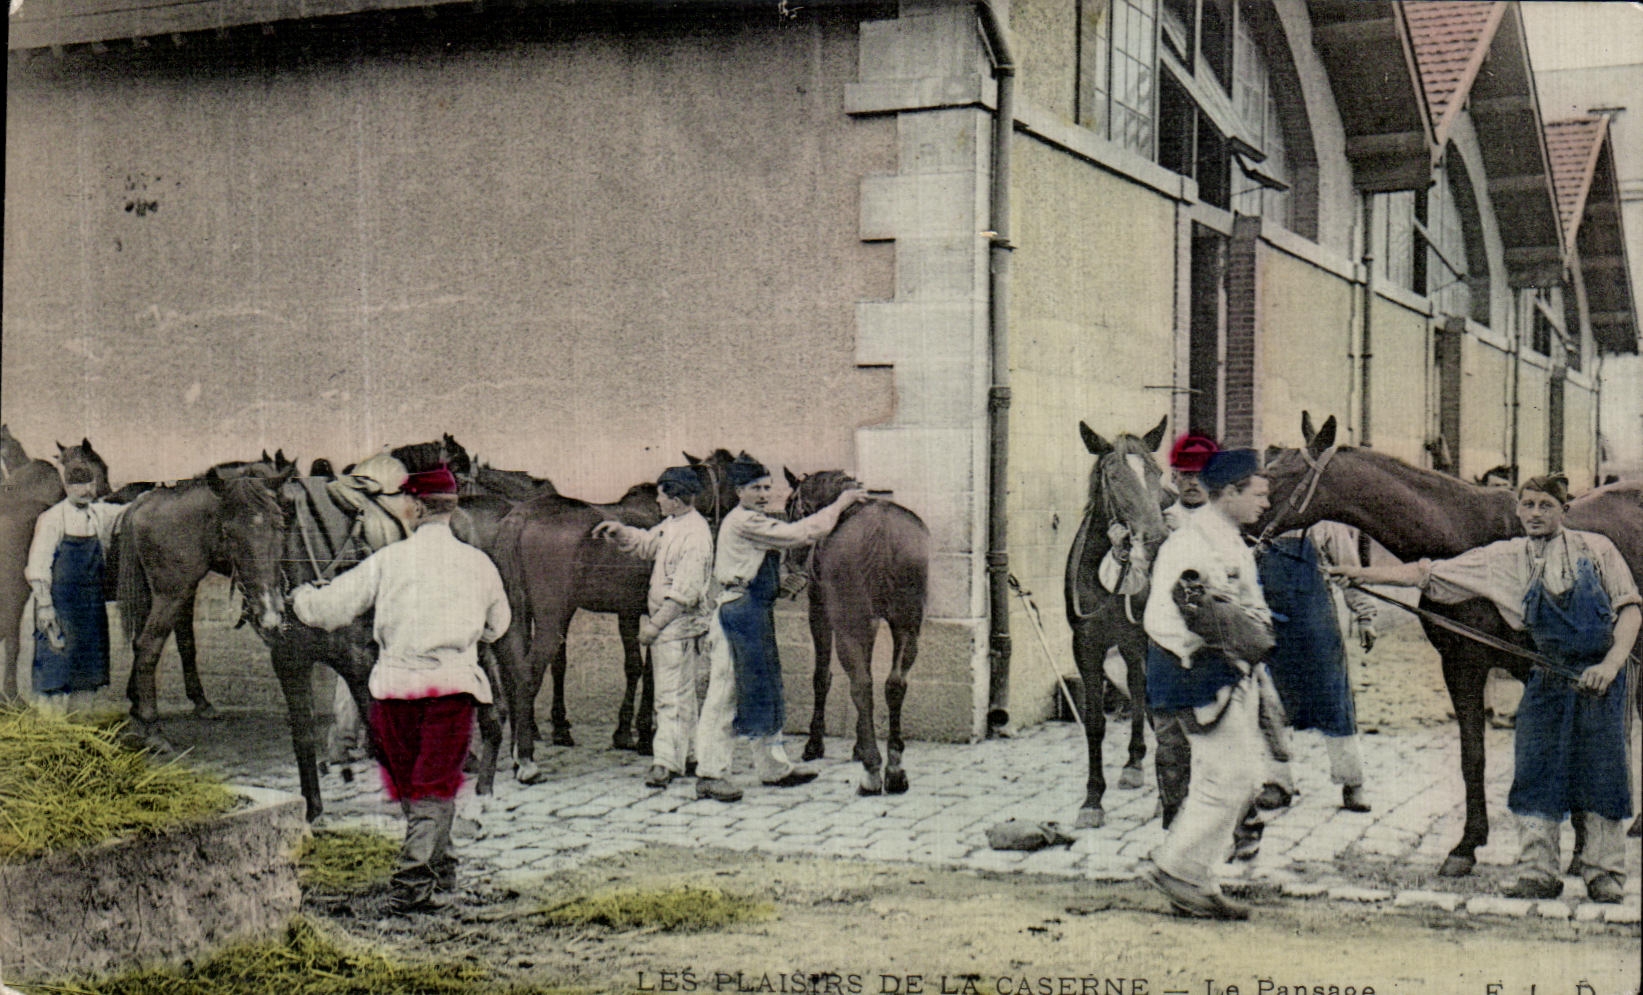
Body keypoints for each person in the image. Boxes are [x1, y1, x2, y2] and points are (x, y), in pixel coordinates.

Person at [1331, 475, 1639, 903]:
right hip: (1547, 678)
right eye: (1527, 505)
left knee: (1601, 770)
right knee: (1536, 771)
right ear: (1517, 511)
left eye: (1545, 505)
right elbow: (1428, 573)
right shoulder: (1504, 558)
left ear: (1564, 511)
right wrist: (1359, 573)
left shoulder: (1599, 549)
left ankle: (1603, 871)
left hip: (1598, 680)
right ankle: (1538, 871)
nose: (1534, 513)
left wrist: (1610, 664)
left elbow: (1629, 610)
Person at [291, 464, 510, 914]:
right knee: (433, 785)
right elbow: (498, 625)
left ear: (413, 506)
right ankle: (428, 873)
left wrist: (299, 598)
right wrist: (464, 636)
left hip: (393, 689)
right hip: (451, 687)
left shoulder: (389, 560)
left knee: (417, 785)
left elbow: (329, 610)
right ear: (451, 510)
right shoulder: (479, 564)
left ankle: (424, 874)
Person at [1141, 449, 1273, 919]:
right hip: (1197, 678)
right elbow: (1165, 619)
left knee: (1233, 778)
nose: (1265, 503)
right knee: (1229, 777)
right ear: (1230, 493)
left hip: (1228, 674)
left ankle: (1192, 873)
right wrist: (1213, 661)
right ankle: (1179, 869)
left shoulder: (1231, 540)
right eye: (1258, 494)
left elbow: (1246, 609)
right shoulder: (1190, 545)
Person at [693, 455, 867, 802]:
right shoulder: (743, 521)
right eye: (755, 488)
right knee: (725, 694)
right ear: (738, 490)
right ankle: (710, 774)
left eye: (767, 488)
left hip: (755, 609)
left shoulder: (753, 520)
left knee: (765, 689)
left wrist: (780, 583)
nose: (763, 494)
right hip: (737, 614)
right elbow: (803, 533)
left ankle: (774, 768)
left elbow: (760, 560)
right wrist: (842, 502)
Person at [593, 466, 715, 789]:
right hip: (674, 625)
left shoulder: (696, 535)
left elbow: (684, 594)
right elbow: (647, 543)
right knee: (683, 693)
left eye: (661, 495)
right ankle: (689, 755)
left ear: (675, 498)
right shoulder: (674, 524)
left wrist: (654, 627)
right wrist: (620, 531)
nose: (657, 500)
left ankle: (664, 763)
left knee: (669, 695)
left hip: (677, 624)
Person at [1256, 520, 1377, 813]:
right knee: (1271, 701)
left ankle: (1353, 781)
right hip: (1268, 622)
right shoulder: (1258, 514)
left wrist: (1365, 616)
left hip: (1317, 624)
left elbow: (1351, 572)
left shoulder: (1324, 522)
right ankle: (1278, 782)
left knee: (1335, 701)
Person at [26, 463, 125, 714]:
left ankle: (81, 728)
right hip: (60, 604)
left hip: (91, 604)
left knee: (88, 671)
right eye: (79, 485)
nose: (86, 490)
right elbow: (38, 566)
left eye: (90, 484)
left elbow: (127, 512)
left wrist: (155, 492)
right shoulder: (52, 519)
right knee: (55, 667)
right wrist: (45, 606)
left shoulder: (99, 514)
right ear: (68, 487)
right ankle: (53, 732)